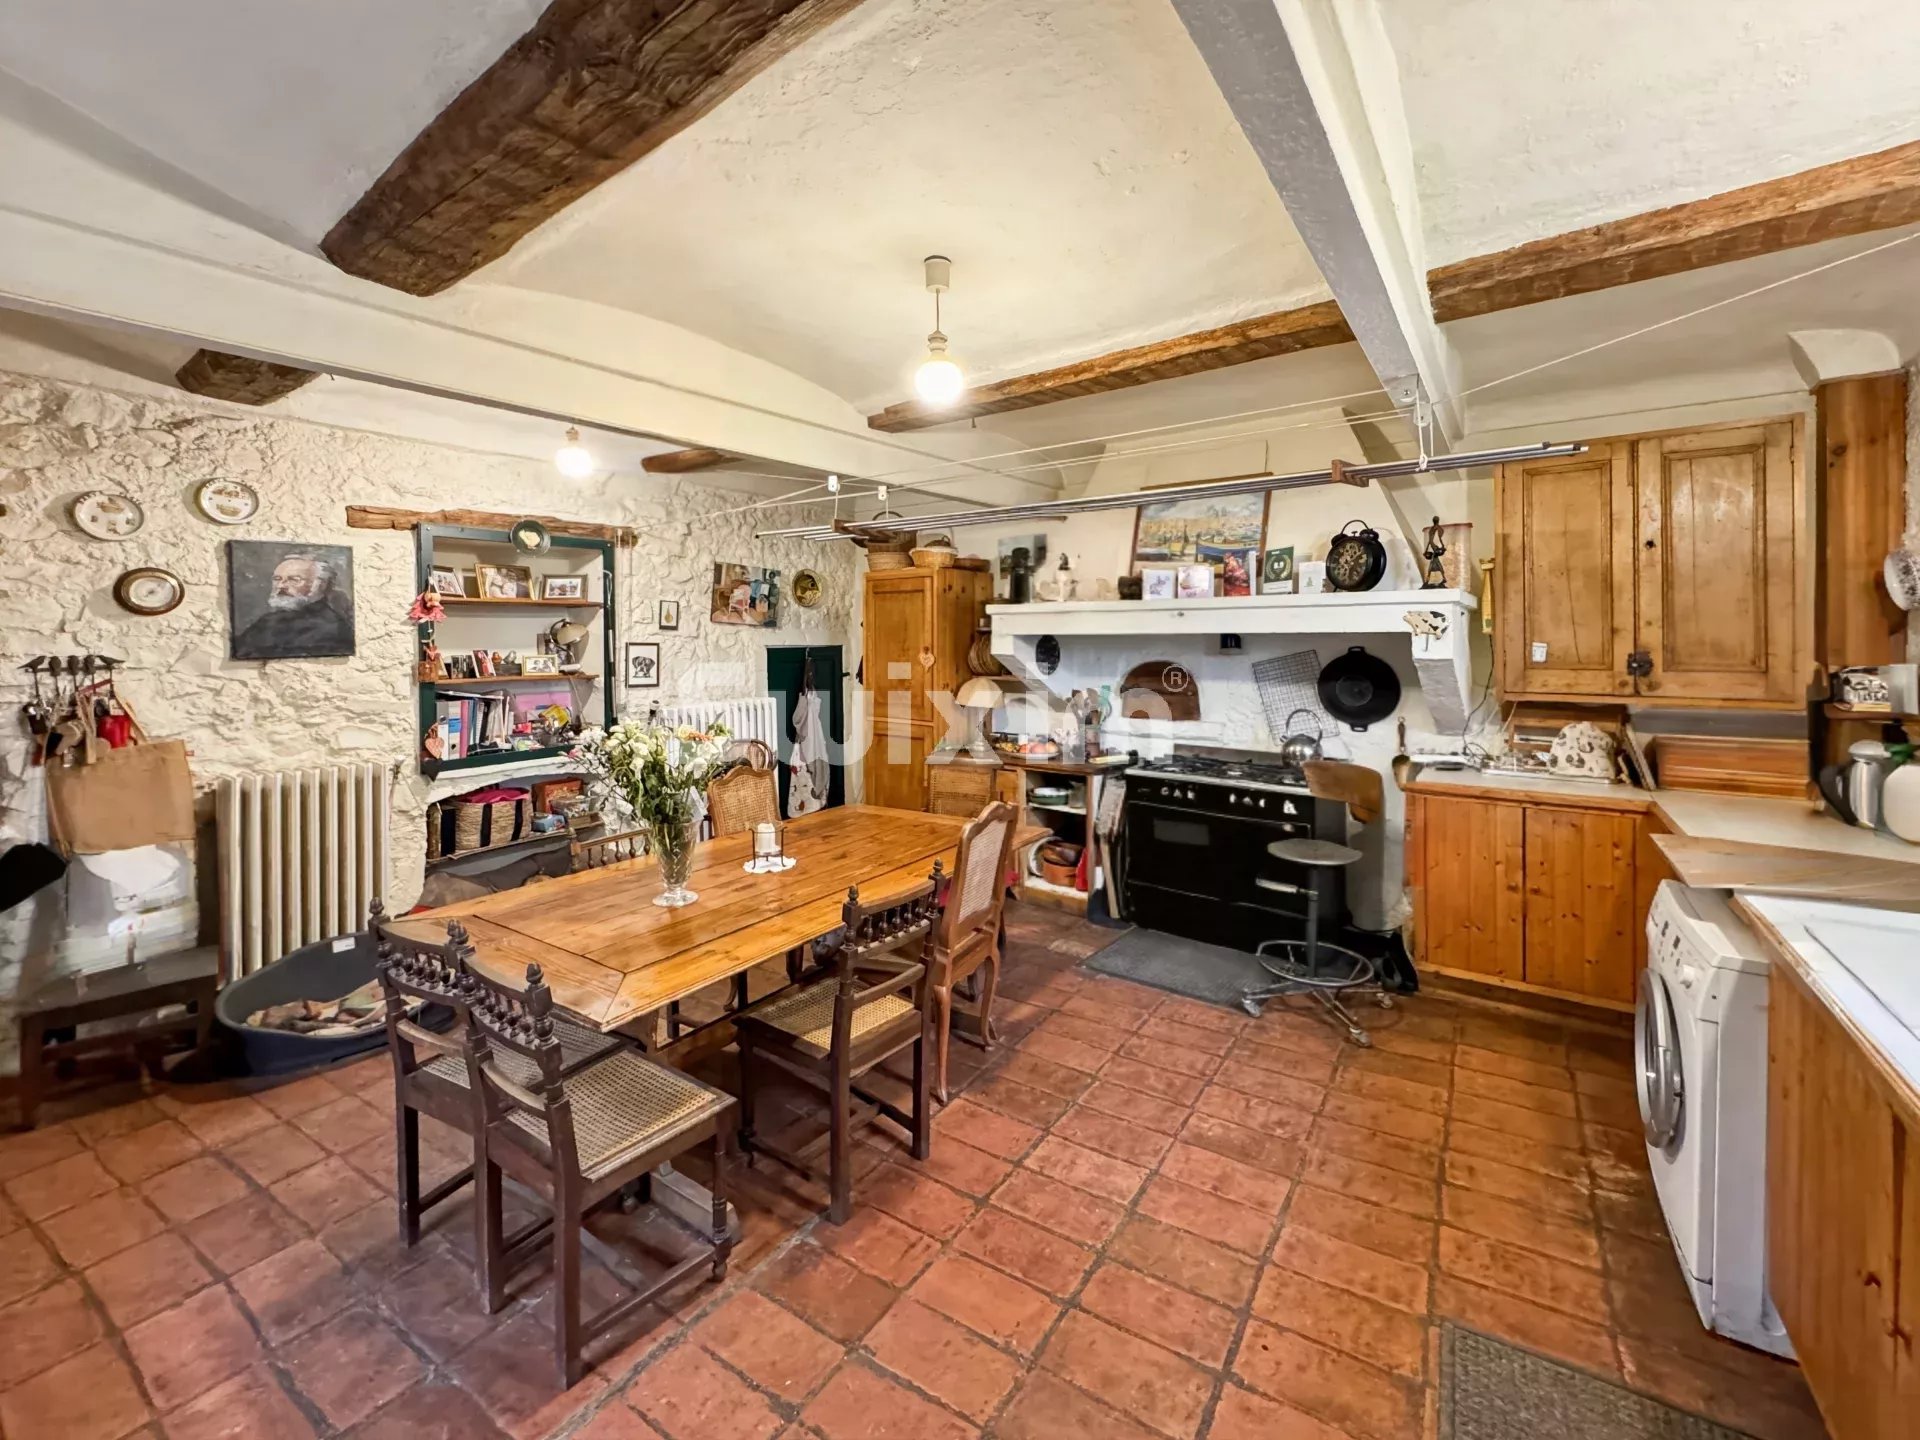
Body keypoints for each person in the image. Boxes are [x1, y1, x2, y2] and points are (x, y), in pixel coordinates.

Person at [233, 552, 353, 658]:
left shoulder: (331, 627)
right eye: (277, 579)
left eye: (294, 580)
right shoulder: (268, 620)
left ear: (320, 585)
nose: (281, 586)